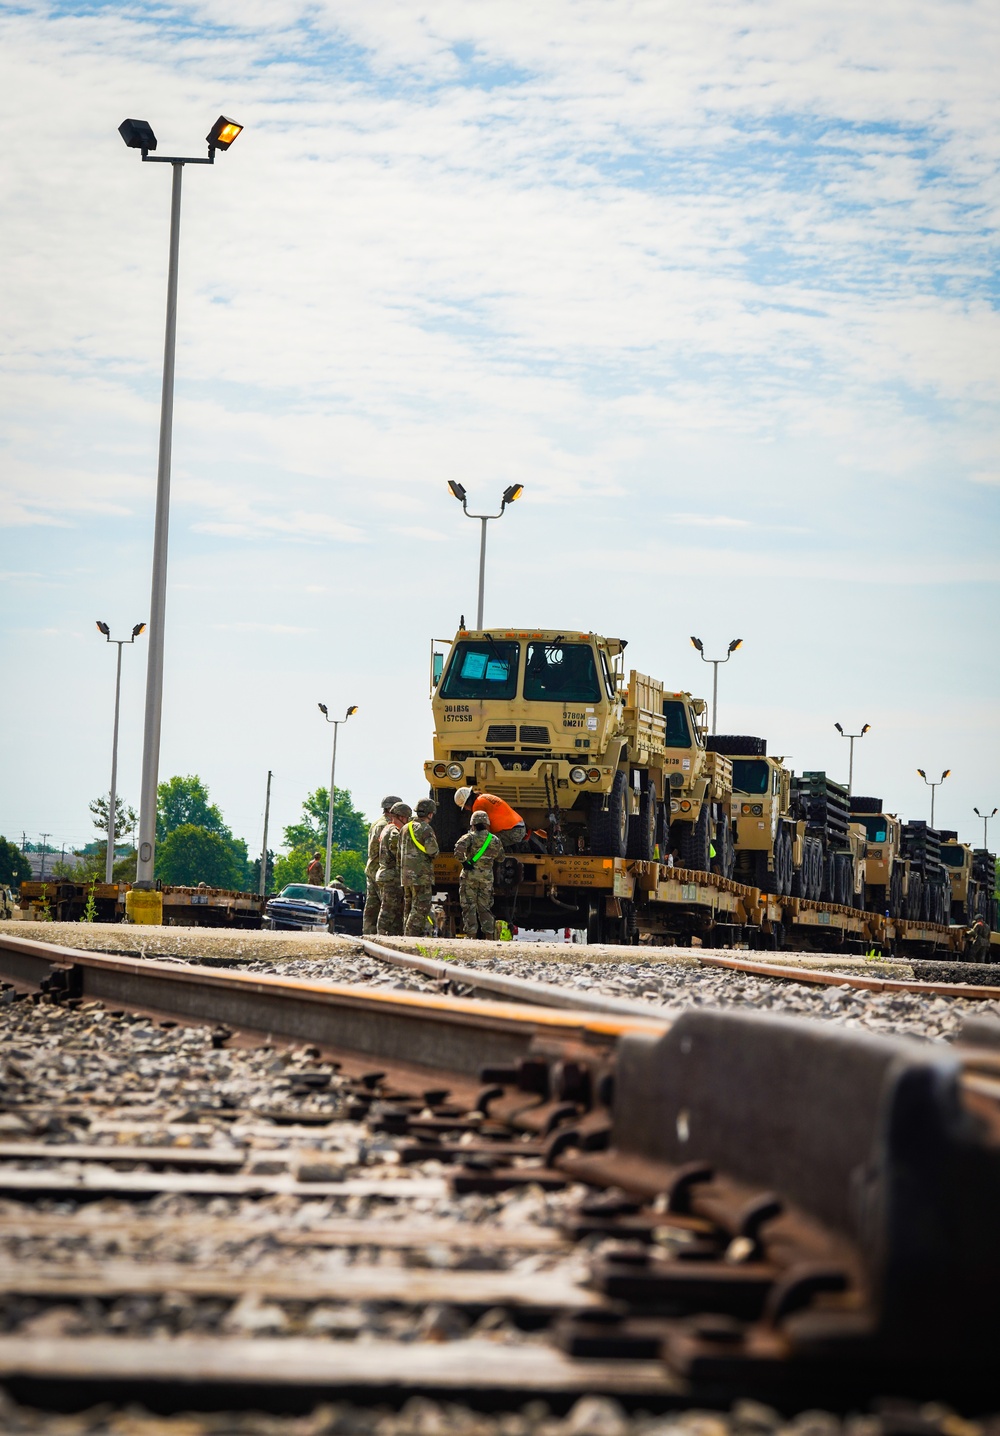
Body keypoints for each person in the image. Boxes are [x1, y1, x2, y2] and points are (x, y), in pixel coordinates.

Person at [454, 810, 505, 938]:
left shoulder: (469, 837)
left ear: (473, 824)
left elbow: (457, 851)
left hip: (469, 878)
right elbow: (501, 858)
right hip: (486, 879)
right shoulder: (494, 840)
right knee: (485, 907)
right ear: (487, 823)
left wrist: (465, 862)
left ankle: (471, 936)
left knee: (469, 906)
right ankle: (489, 937)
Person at [399, 798, 440, 936]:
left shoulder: (405, 828)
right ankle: (411, 935)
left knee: (409, 907)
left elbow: (399, 852)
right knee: (420, 908)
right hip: (421, 875)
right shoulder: (426, 828)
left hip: (406, 875)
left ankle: (405, 935)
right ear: (430, 814)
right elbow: (432, 851)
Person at [363, 795, 402, 934]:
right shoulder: (388, 826)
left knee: (371, 907)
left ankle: (368, 933)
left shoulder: (376, 823)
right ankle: (385, 935)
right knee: (387, 907)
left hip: (372, 869)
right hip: (382, 869)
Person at [376, 801, 411, 936]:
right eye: (407, 818)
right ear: (402, 817)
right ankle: (382, 935)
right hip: (391, 875)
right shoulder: (394, 831)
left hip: (385, 873)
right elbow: (396, 850)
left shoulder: (387, 828)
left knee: (390, 909)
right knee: (389, 910)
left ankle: (388, 936)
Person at [454, 787, 526, 850]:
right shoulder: (483, 797)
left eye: (465, 807)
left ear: (467, 802)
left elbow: (483, 831)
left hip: (512, 831)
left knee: (483, 845)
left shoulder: (477, 805)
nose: (466, 809)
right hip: (518, 827)